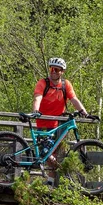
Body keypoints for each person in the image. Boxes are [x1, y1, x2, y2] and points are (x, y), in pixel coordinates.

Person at [31, 57, 88, 185]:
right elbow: (37, 98)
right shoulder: (43, 83)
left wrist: (84, 111)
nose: (53, 72)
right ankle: (60, 172)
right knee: (47, 152)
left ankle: (51, 182)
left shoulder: (65, 85)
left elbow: (73, 99)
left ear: (62, 72)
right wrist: (35, 110)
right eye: (52, 69)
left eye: (57, 70)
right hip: (43, 124)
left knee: (55, 152)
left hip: (59, 125)